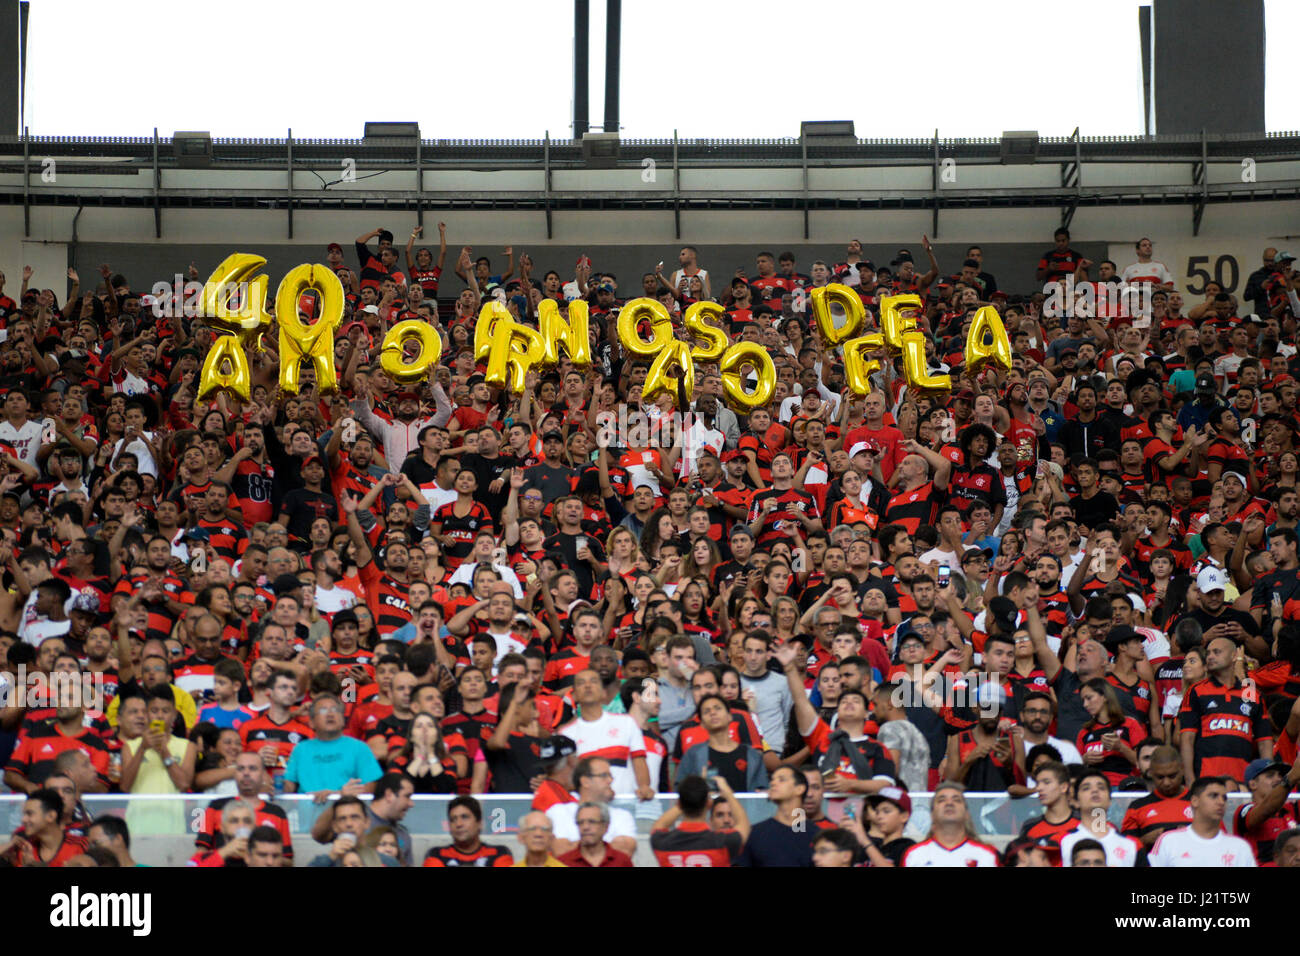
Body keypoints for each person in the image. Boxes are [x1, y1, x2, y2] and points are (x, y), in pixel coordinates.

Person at [282, 695, 384, 798]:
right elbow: (288, 786)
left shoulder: (360, 748)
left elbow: (370, 787)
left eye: (335, 710)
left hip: (347, 807)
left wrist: (337, 795)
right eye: (323, 711)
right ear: (311, 723)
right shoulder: (300, 750)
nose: (330, 714)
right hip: (306, 808)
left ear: (343, 720)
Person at [1149, 776, 1258, 867]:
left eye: (1224, 798)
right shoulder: (1168, 841)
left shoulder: (1239, 847)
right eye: (1213, 796)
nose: (1221, 802)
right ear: (1195, 801)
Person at [650, 774, 749, 867]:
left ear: (679, 803)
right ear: (709, 804)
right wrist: (727, 792)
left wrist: (689, 796)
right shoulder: (723, 842)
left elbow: (659, 825)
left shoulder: (662, 842)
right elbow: (743, 824)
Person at [901, 782, 999, 867]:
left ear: (967, 814)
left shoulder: (987, 855)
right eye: (941, 800)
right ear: (932, 814)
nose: (949, 803)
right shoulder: (914, 855)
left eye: (956, 800)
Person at [734, 767, 817, 867]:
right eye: (772, 780)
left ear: (799, 789)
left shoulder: (816, 836)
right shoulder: (755, 834)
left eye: (781, 779)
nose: (773, 783)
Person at [1059, 769, 1142, 866]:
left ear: (1110, 800)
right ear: (1076, 801)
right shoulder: (1061, 841)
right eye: (1086, 788)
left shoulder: (1132, 844)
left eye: (1101, 788)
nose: (1095, 791)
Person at [423, 796, 513, 867]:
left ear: (480, 823)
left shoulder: (499, 853)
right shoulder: (436, 855)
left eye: (464, 817)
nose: (458, 824)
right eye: (453, 819)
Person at [556, 802, 635, 868]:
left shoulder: (622, 861)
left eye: (592, 822)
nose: (585, 827)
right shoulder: (563, 862)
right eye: (581, 822)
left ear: (605, 827)